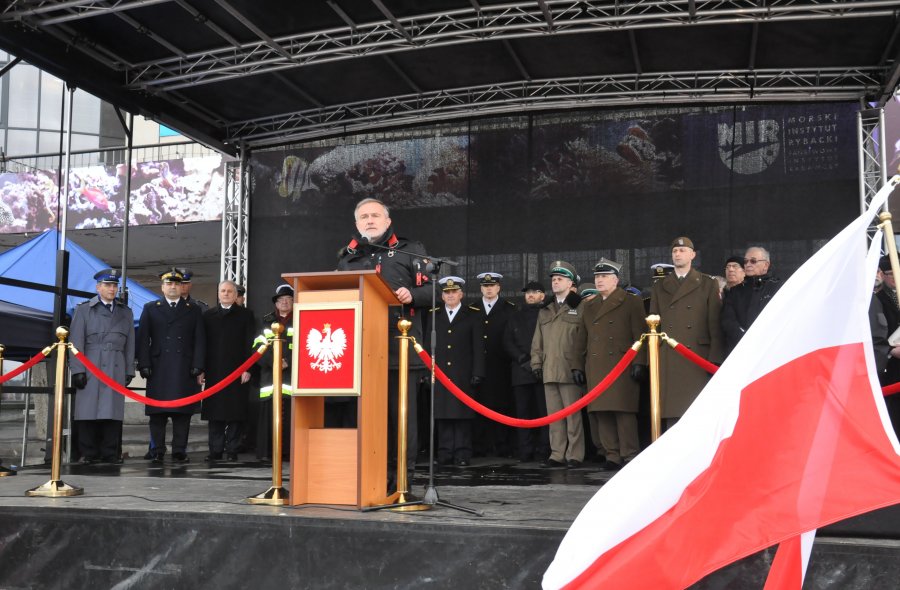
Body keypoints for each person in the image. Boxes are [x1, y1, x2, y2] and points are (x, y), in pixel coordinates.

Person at [336, 197, 431, 481]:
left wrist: (413, 294)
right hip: (360, 351)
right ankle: (371, 472)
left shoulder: (410, 250)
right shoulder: (347, 257)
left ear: (388, 221)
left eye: (375, 215)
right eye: (363, 216)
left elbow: (435, 290)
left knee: (400, 417)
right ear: (356, 223)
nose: (370, 220)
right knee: (369, 418)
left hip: (399, 350)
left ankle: (403, 474)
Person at [580, 258, 646, 471]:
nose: (599, 281)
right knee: (602, 412)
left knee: (623, 411)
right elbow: (582, 338)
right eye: (597, 277)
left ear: (615, 280)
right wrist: (576, 365)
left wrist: (640, 361)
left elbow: (640, 335)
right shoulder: (590, 306)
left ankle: (629, 454)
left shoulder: (631, 301)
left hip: (621, 364)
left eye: (604, 276)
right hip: (597, 363)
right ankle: (612, 454)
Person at [649, 237, 723, 428]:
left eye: (682, 251)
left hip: (697, 355)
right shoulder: (660, 286)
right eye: (675, 251)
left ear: (692, 255)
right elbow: (653, 325)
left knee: (696, 411)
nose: (678, 254)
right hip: (669, 355)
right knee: (672, 411)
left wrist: (714, 357)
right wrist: (652, 357)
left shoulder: (707, 283)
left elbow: (714, 323)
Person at [137, 268, 205, 463]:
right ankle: (157, 449)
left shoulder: (193, 309)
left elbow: (199, 340)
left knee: (182, 414)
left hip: (184, 368)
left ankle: (179, 450)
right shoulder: (151, 308)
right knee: (157, 414)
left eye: (176, 283)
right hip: (158, 367)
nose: (173, 287)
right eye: (169, 283)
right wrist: (144, 364)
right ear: (162, 287)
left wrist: (198, 365)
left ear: (182, 286)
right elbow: (143, 339)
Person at [68, 268, 135, 464]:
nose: (112, 289)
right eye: (107, 285)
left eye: (114, 285)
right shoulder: (83, 310)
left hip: (115, 366)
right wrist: (78, 370)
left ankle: (110, 453)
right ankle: (88, 453)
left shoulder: (126, 312)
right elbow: (75, 343)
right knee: (87, 412)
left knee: (112, 413)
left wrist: (129, 369)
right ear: (98, 287)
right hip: (91, 365)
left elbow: (130, 344)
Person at [530, 260, 586, 468]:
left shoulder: (580, 306)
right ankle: (557, 453)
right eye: (553, 279)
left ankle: (575, 454)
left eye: (560, 279)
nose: (555, 282)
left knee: (573, 416)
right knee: (554, 417)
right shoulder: (545, 310)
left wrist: (579, 366)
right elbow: (538, 340)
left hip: (569, 369)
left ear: (571, 282)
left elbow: (584, 338)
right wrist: (536, 364)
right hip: (549, 369)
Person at [425, 277, 485, 466]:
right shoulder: (434, 315)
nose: (450, 295)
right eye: (447, 292)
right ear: (442, 296)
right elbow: (427, 347)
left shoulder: (473, 315)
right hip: (441, 374)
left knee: (462, 415)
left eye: (454, 292)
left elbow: (478, 347)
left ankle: (462, 453)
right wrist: (428, 372)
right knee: (442, 414)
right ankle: (444, 452)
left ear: (461, 294)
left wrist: (478, 372)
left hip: (463, 374)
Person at [200, 280, 255, 462]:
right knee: (215, 415)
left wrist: (248, 368)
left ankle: (232, 450)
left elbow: (250, 344)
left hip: (237, 371)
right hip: (214, 371)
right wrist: (201, 370)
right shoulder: (208, 316)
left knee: (235, 413)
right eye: (222, 291)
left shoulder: (246, 315)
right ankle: (215, 450)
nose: (225, 294)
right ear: (218, 293)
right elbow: (202, 345)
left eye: (229, 291)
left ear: (235, 294)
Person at [503, 281, 550, 463]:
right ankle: (525, 450)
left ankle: (544, 449)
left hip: (542, 371)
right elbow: (507, 341)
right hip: (520, 371)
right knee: (522, 414)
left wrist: (537, 362)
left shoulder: (547, 314)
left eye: (535, 292)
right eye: (528, 292)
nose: (530, 295)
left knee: (543, 413)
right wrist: (522, 359)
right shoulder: (515, 317)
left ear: (542, 295)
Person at [472, 271, 517, 458]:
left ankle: (502, 446)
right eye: (485, 286)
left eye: (491, 286)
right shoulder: (473, 309)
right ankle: (481, 446)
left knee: (502, 406)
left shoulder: (509, 308)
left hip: (501, 366)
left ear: (499, 287)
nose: (488, 289)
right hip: (479, 366)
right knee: (479, 407)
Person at [257, 283, 294, 462]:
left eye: (288, 299)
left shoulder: (301, 318)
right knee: (268, 417)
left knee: (291, 417)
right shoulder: (266, 321)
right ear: (276, 303)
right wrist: (275, 362)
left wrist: (289, 362)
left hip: (292, 377)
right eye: (281, 300)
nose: (285, 303)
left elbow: (306, 345)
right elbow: (257, 346)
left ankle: (288, 453)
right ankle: (267, 453)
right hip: (270, 377)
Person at [721, 246, 782, 355]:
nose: (748, 264)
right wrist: (746, 338)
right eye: (746, 261)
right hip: (741, 350)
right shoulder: (735, 291)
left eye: (753, 261)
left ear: (766, 265)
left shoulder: (778, 288)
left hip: (771, 349)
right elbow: (728, 321)